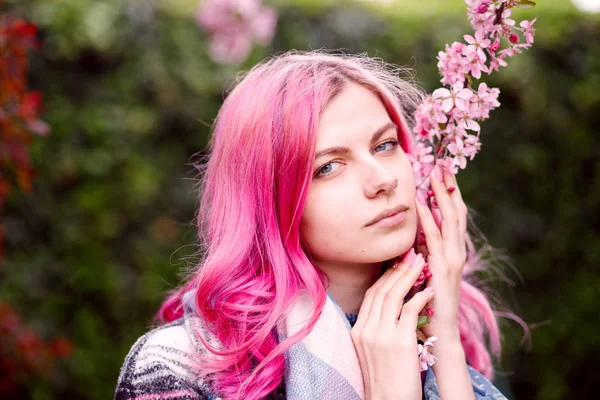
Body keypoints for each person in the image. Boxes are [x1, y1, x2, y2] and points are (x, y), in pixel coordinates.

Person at [114, 51, 518, 400]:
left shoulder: (440, 347)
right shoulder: (181, 366)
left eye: (385, 144)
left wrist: (444, 343)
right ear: (270, 201)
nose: (383, 179)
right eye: (328, 167)